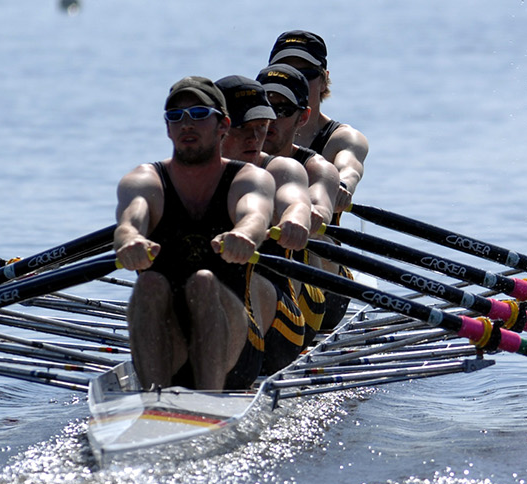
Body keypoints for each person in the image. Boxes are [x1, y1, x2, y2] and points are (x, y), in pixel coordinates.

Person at [114, 76, 278, 391]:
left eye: (199, 114)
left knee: (203, 281)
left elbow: (255, 214)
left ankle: (208, 400)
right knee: (150, 282)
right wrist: (130, 240)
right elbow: (129, 220)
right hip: (167, 344)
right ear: (167, 129)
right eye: (175, 117)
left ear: (223, 125)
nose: (186, 123)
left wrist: (244, 234)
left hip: (235, 349)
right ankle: (154, 403)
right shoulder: (145, 179)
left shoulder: (247, 178)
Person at [213, 75, 318, 373]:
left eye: (261, 127)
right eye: (242, 127)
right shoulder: (183, 176)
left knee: (243, 278)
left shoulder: (280, 168)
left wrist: (295, 218)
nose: (255, 137)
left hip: (279, 326)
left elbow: (295, 199)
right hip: (210, 310)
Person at [256, 63, 356, 333]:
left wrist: (303, 215)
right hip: (248, 290)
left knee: (315, 239)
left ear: (302, 117)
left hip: (309, 296)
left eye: (284, 110)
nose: (271, 119)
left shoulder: (318, 167)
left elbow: (319, 206)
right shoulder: (225, 163)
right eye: (265, 108)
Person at [267, 30, 369, 214]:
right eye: (285, 73)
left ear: (324, 81)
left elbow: (349, 169)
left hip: (317, 234)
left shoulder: (344, 138)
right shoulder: (246, 132)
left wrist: (343, 185)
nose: (296, 81)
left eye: (306, 73)